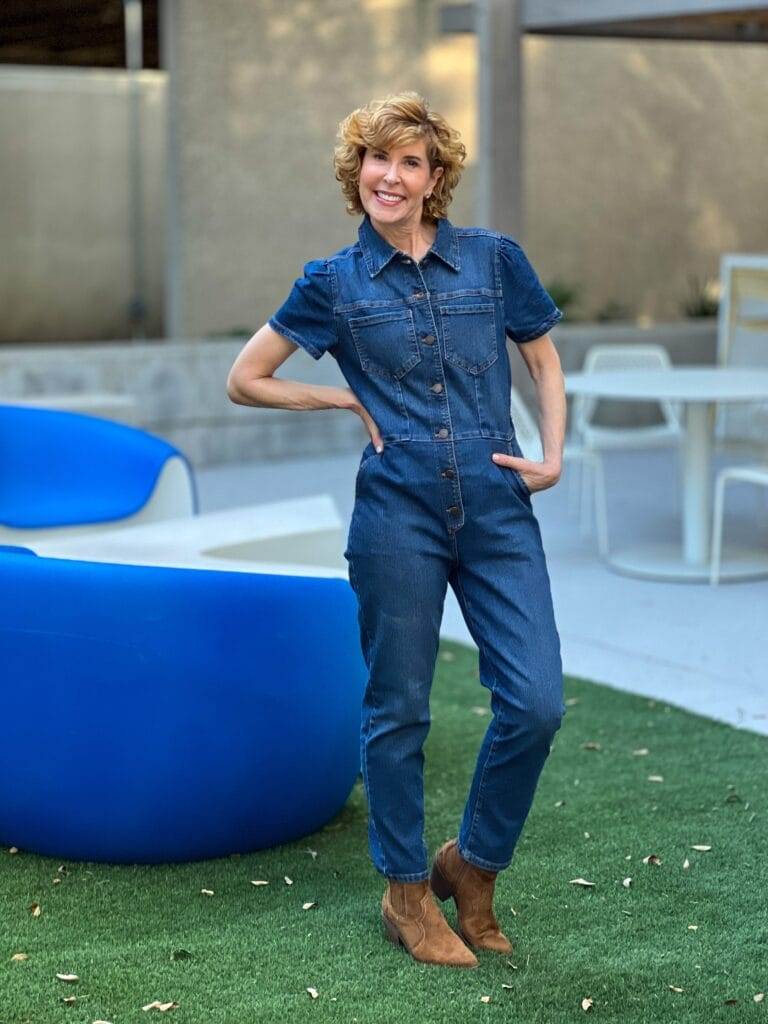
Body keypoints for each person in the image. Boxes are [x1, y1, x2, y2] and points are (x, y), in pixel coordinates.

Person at [227, 91, 568, 970]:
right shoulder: (331, 283)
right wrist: (337, 394)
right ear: (358, 173)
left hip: (496, 503)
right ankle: (408, 893)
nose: (391, 174)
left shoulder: (492, 259)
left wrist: (555, 450)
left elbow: (540, 349)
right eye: (377, 159)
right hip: (396, 511)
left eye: (410, 161)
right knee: (399, 709)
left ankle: (475, 866)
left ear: (434, 177)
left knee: (536, 701)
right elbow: (247, 377)